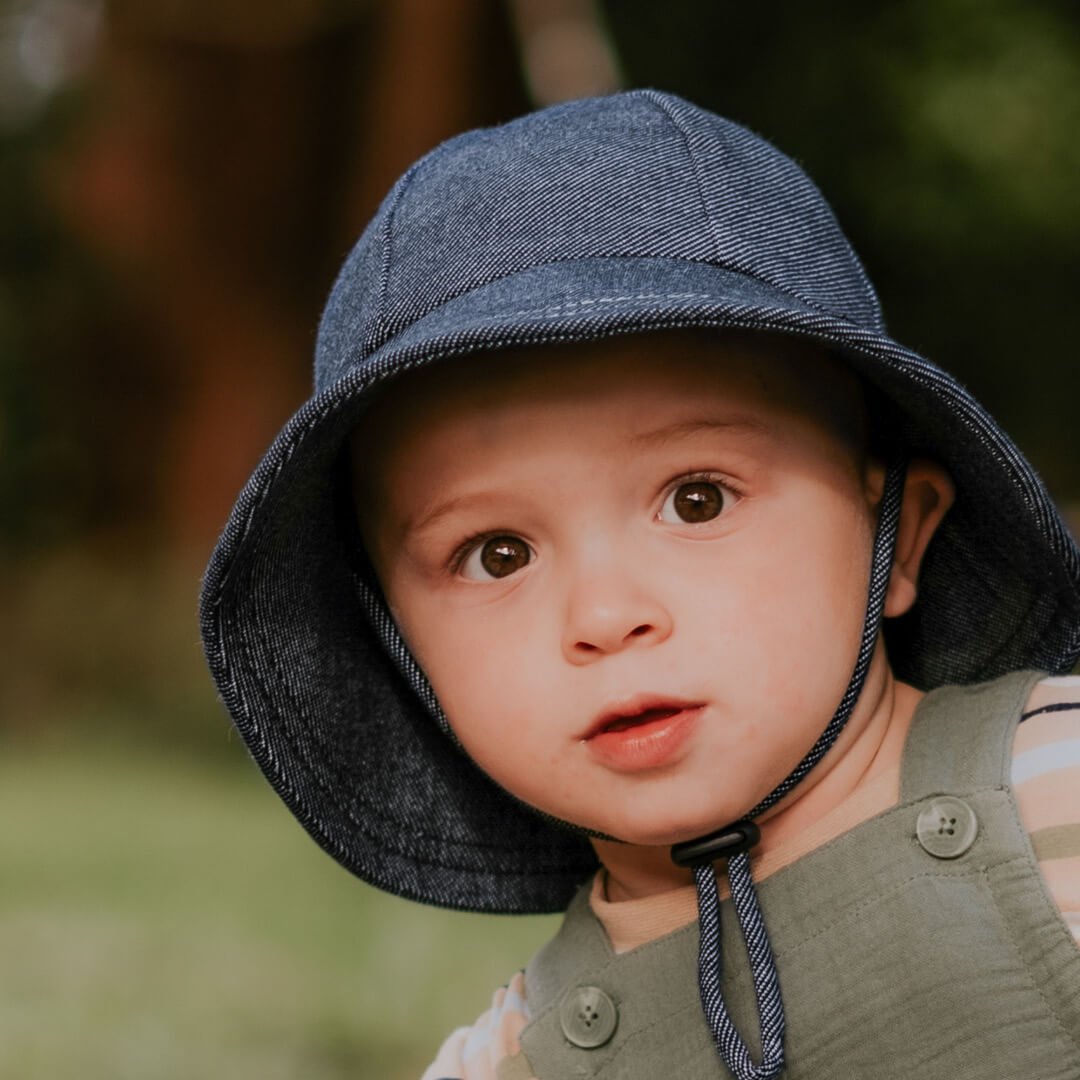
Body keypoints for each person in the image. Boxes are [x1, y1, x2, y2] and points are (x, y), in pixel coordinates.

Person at [199, 91, 1080, 1079]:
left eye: (698, 500)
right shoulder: (520, 1059)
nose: (607, 618)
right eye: (497, 555)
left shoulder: (1055, 796)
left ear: (901, 537)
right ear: (402, 649)